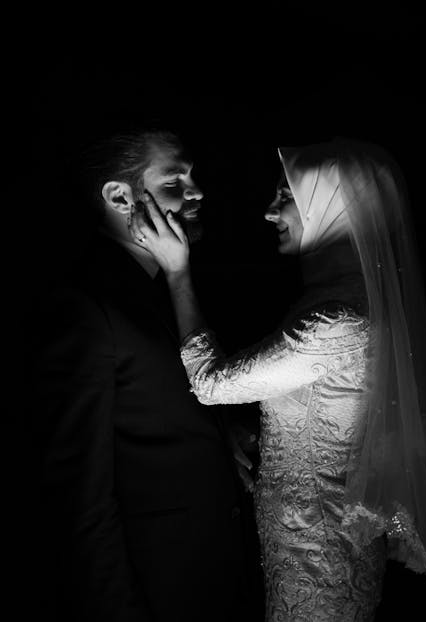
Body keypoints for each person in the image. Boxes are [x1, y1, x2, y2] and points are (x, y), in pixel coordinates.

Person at [130, 137, 426, 621]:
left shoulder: (337, 321)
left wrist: (177, 272)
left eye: (286, 197)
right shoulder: (342, 300)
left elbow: (210, 384)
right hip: (310, 547)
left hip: (318, 561)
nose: (270, 213)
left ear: (335, 207)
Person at [27, 129, 255, 622]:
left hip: (209, 576)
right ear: (118, 196)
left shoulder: (164, 286)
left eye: (192, 178)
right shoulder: (85, 307)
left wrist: (220, 436)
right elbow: (79, 496)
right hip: (156, 589)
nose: (197, 192)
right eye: (175, 180)